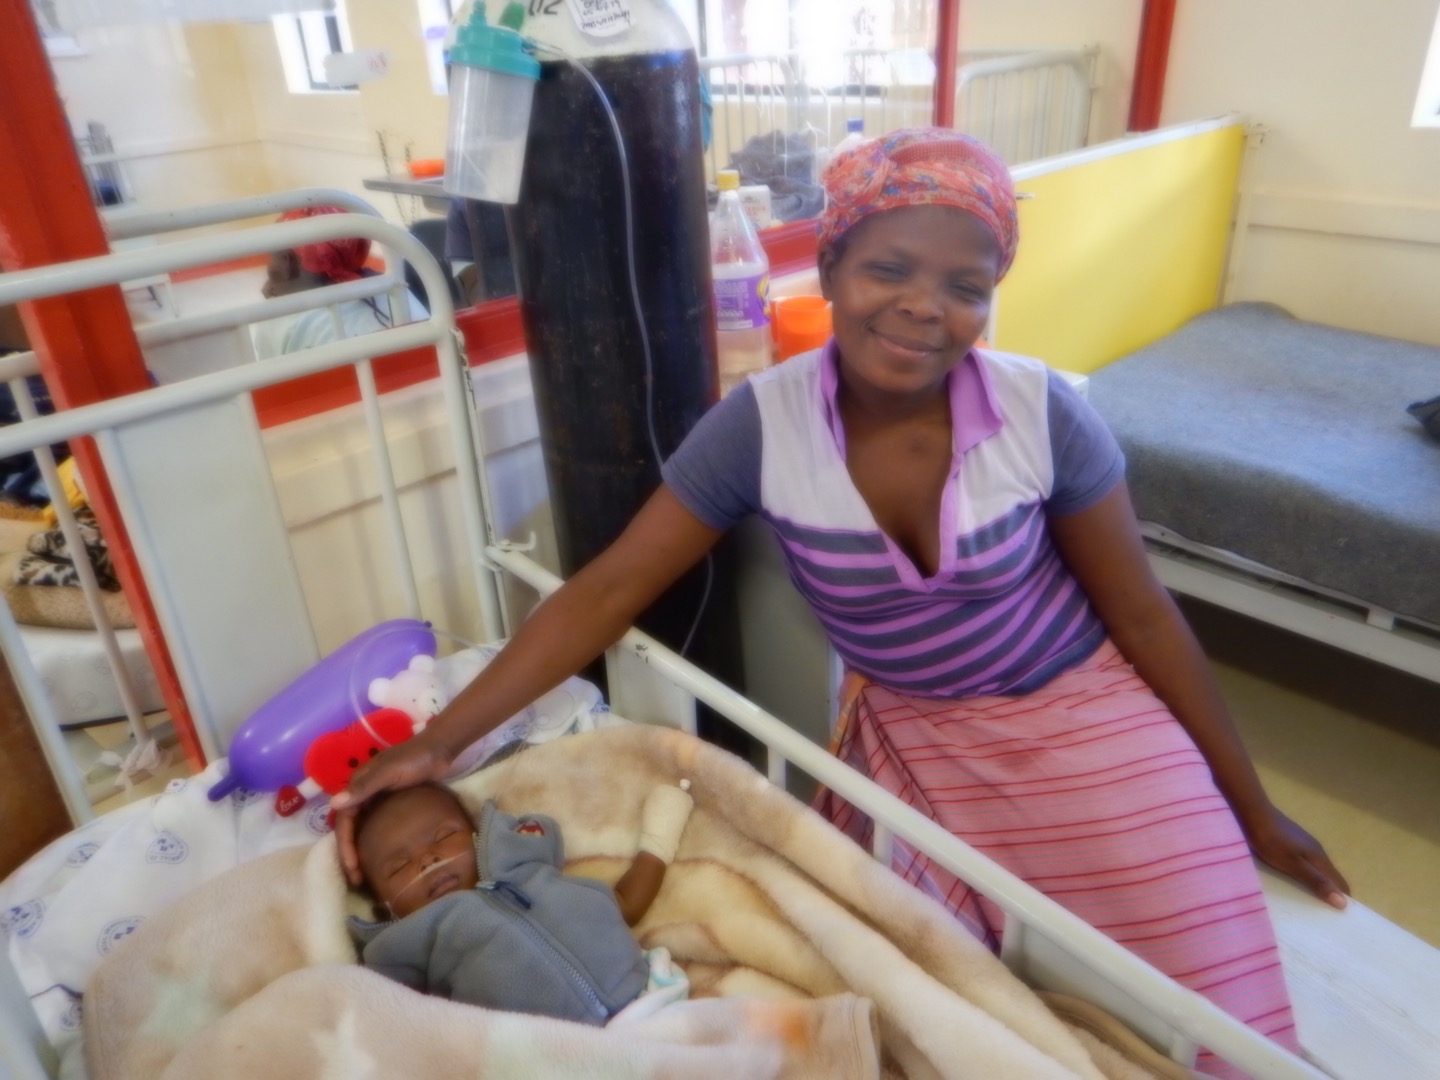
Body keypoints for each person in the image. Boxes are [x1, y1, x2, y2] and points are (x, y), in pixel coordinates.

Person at [333, 128, 1346, 1075]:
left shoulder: (1044, 414)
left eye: (965, 286)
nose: (923, 307)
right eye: (888, 269)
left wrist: (1250, 807)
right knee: (939, 991)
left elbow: (1144, 616)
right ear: (828, 270)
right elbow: (607, 588)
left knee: (1215, 1009)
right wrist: (441, 743)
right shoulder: (760, 429)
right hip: (919, 734)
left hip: (1081, 709)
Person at [350, 778, 694, 1025]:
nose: (428, 859)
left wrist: (658, 842)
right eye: (399, 866)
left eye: (443, 836)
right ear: (386, 908)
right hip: (552, 1055)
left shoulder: (527, 864)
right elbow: (407, 1023)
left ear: (479, 836)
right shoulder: (408, 948)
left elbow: (623, 905)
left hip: (651, 1001)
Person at [249, 205, 428, 360]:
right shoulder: (396, 288)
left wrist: (275, 303)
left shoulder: (275, 321)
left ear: (286, 262)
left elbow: (270, 385)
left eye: (272, 256)